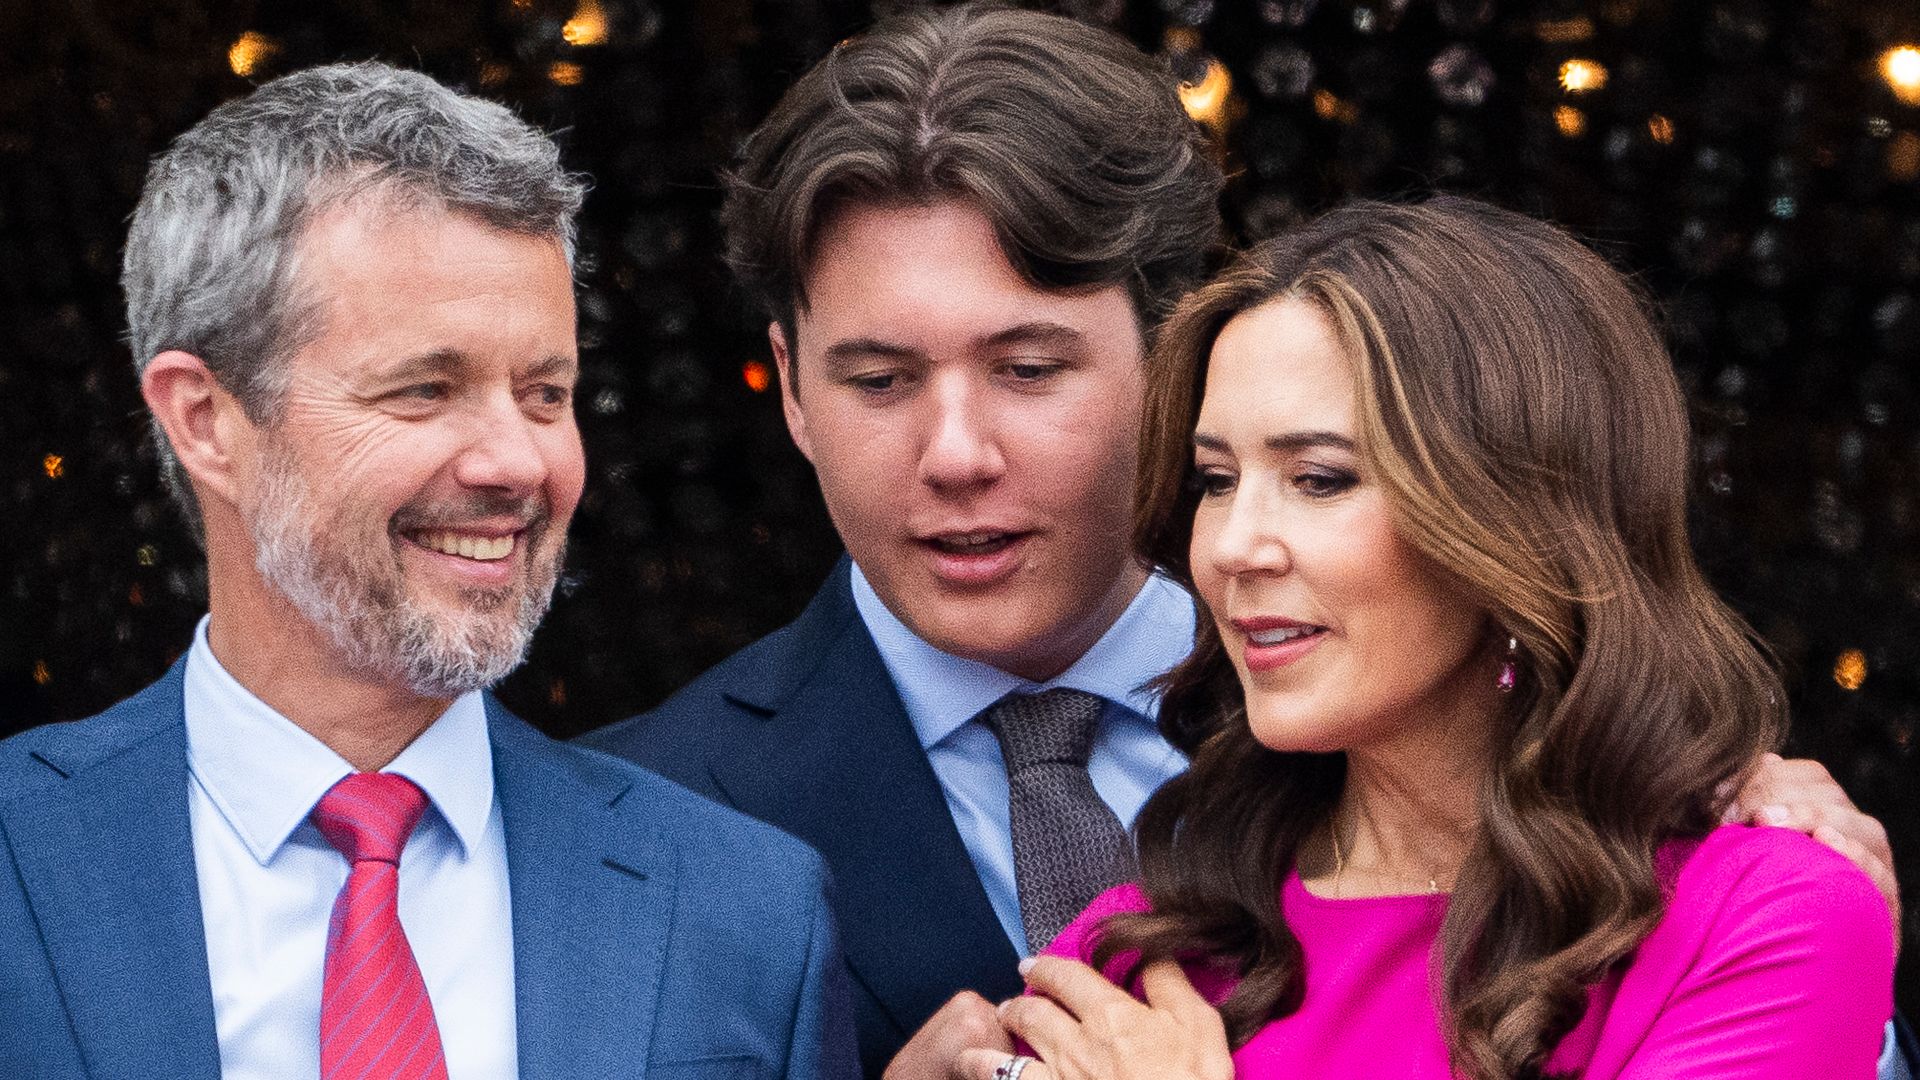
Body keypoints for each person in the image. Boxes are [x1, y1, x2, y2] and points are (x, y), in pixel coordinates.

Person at [578, 6, 1912, 1078]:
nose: (956, 452)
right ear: (788, 386)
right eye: (878, 380)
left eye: (1031, 367)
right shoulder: (635, 837)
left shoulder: (1740, 860)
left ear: (1170, 363)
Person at [0, 62, 855, 1079]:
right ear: (205, 421)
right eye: (424, 389)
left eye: (546, 392)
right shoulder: (23, 859)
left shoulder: (745, 910)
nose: (517, 463)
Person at [969, 197, 1899, 1079]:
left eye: (1320, 478)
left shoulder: (1764, 918)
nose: (1232, 547)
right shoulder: (1143, 949)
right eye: (1216, 479)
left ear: (1515, 519)